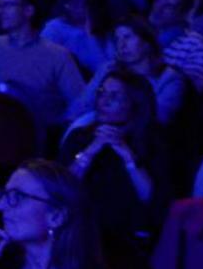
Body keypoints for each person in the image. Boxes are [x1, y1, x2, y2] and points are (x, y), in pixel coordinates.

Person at [60, 69, 169, 252]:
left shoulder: (154, 141)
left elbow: (152, 198)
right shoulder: (80, 137)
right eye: (101, 92)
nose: (103, 101)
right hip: (83, 232)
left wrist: (127, 156)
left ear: (135, 103)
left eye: (115, 96)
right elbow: (61, 188)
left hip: (133, 236)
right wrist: (90, 151)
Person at [0, 0, 85, 129]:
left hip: (40, 134)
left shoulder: (58, 55)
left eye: (7, 5)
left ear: (28, 11)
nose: (0, 11)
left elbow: (80, 102)